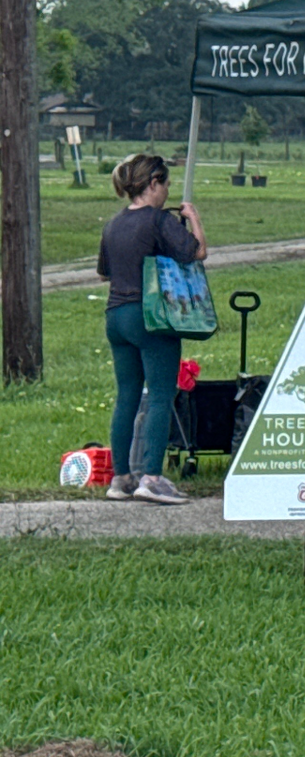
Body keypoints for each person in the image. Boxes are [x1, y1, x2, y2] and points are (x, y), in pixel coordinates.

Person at [96, 153, 207, 505]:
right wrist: (193, 219)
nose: (167, 193)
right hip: (152, 316)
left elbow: (104, 272)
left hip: (116, 316)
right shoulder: (159, 221)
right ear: (153, 183)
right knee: (160, 394)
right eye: (166, 185)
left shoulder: (113, 223)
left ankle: (121, 478)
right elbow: (196, 252)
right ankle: (152, 478)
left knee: (127, 395)